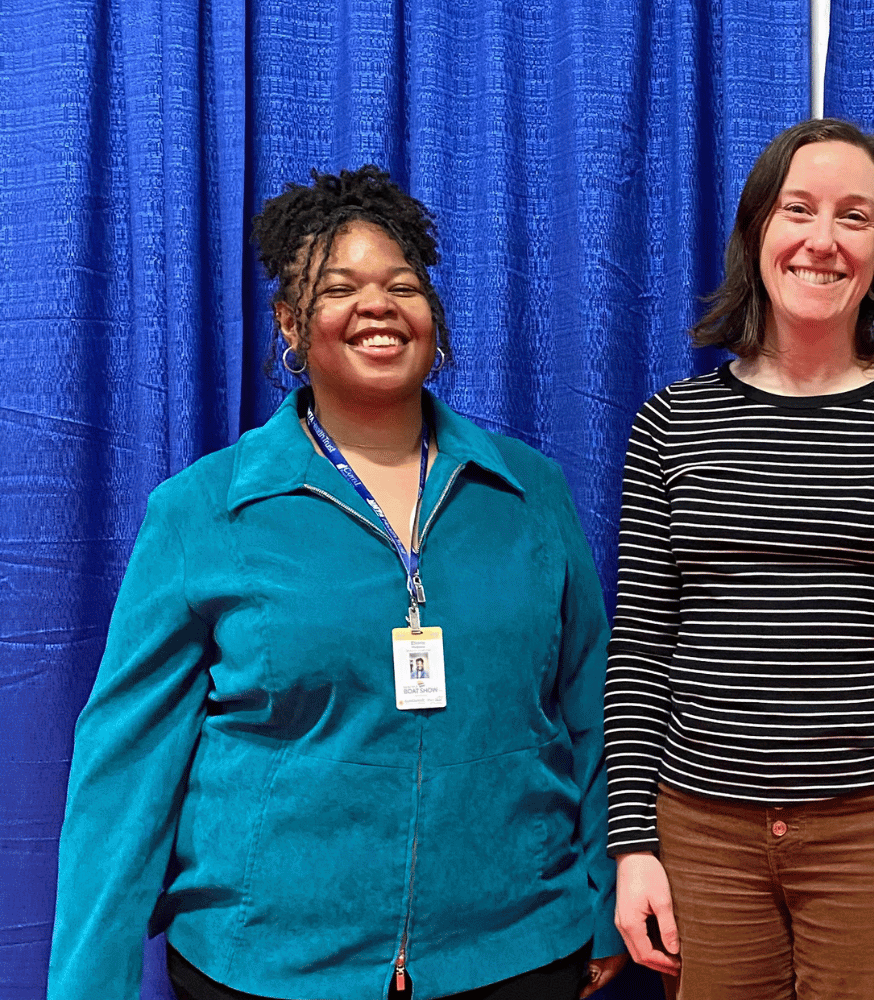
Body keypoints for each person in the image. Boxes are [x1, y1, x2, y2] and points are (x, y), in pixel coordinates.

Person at [50, 166, 628, 1000]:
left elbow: (593, 710)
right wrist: (88, 984)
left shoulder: (530, 494)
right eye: (341, 288)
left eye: (404, 285)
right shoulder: (203, 511)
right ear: (290, 323)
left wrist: (603, 901)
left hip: (514, 951)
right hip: (269, 964)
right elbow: (124, 769)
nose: (380, 305)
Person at [604, 118, 874, 1000]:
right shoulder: (671, 424)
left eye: (854, 217)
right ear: (757, 232)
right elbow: (638, 647)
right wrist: (631, 841)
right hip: (701, 831)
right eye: (799, 209)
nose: (821, 240)